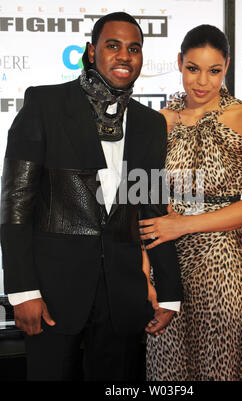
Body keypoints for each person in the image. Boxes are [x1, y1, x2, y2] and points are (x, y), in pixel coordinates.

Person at [0, 12, 182, 381]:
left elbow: (151, 209)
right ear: (90, 51)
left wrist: (169, 292)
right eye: (112, 45)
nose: (124, 56)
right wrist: (21, 291)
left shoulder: (150, 123)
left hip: (122, 298)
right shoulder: (45, 105)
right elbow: (15, 202)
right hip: (51, 295)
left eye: (134, 48)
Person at [139, 24, 242, 381]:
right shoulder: (158, 122)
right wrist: (145, 271)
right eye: (193, 68)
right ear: (179, 63)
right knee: (170, 369)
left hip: (227, 263)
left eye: (214, 70)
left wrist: (182, 224)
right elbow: (142, 202)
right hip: (168, 263)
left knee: (226, 368)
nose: (202, 81)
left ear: (226, 66)